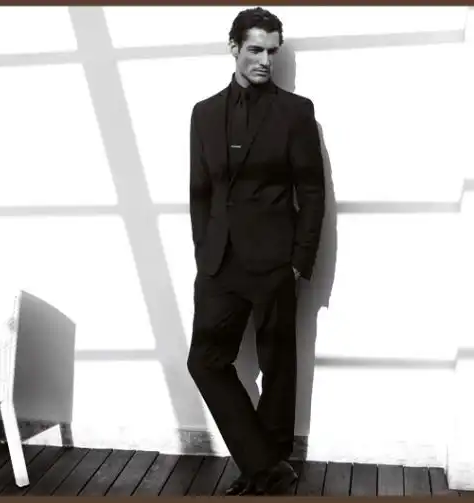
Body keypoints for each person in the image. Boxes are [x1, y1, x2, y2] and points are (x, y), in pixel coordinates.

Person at [187, 6, 325, 496]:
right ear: (234, 49)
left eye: (272, 51)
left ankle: (272, 463)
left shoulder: (295, 111)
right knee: (205, 361)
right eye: (255, 50)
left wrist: (299, 261)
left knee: (278, 366)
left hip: (273, 263)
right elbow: (200, 191)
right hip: (220, 263)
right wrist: (204, 250)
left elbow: (312, 192)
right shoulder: (204, 113)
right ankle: (265, 465)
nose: (265, 60)